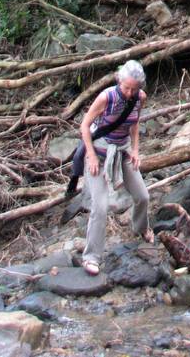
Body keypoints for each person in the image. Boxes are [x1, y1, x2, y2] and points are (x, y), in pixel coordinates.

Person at [77, 60, 154, 276]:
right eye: (126, 87)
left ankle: (141, 228)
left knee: (143, 196)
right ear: (119, 80)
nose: (129, 93)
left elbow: (135, 123)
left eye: (134, 88)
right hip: (99, 154)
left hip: (123, 151)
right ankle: (91, 257)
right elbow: (84, 126)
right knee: (100, 207)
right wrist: (91, 156)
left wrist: (136, 150)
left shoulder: (140, 98)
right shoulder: (106, 97)